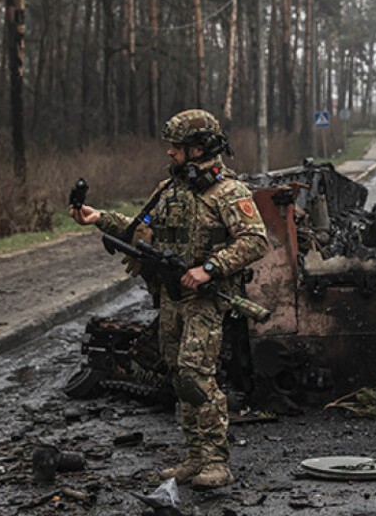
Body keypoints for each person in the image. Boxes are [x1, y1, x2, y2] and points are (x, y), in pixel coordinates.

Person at [70, 109, 268, 488]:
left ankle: (216, 461)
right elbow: (140, 228)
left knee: (197, 375)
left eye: (177, 146)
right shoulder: (169, 190)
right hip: (172, 298)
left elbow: (255, 241)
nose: (170, 152)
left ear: (199, 148)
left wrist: (210, 268)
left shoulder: (228, 192)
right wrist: (100, 218)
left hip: (205, 300)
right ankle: (195, 457)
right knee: (178, 375)